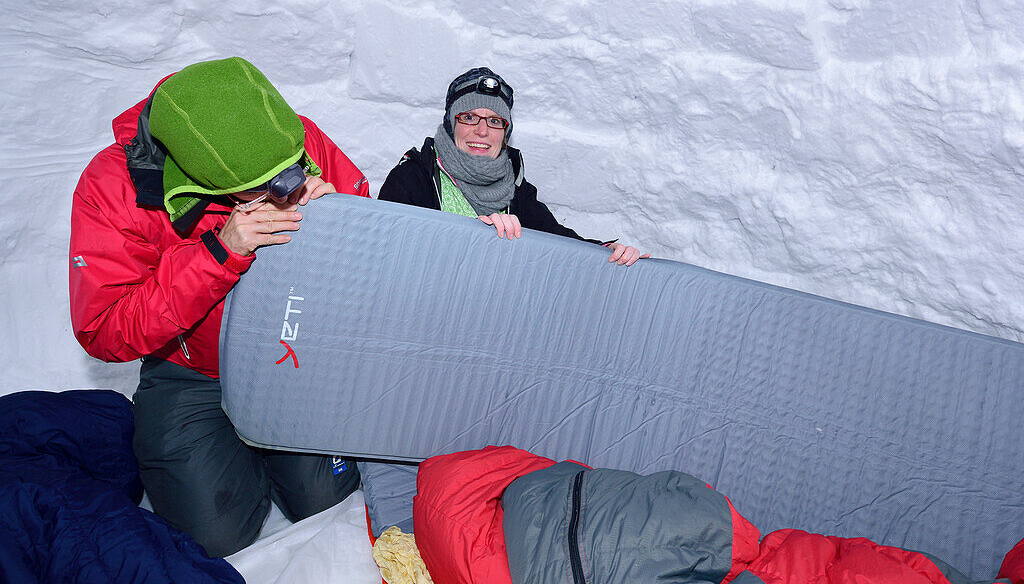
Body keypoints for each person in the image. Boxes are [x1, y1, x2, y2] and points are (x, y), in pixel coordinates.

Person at [68, 57, 370, 557]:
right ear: (204, 183)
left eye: (294, 170)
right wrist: (216, 253)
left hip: (290, 355)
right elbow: (103, 329)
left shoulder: (287, 138)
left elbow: (372, 254)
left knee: (329, 500)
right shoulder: (113, 189)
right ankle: (231, 452)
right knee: (213, 536)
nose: (290, 185)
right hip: (191, 372)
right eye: (268, 186)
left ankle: (268, 452)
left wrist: (341, 217)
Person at [378, 67, 648, 265]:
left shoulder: (515, 188)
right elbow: (387, 250)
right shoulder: (414, 177)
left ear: (505, 133)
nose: (482, 131)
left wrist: (608, 251)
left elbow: (561, 243)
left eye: (495, 121)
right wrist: (473, 234)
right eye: (469, 117)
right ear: (452, 124)